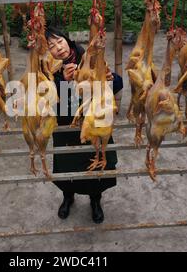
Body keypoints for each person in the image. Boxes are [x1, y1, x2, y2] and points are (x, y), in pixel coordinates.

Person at [45, 26, 123, 224]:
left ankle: (95, 201)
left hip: (95, 124)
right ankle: (68, 197)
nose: (58, 48)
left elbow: (118, 84)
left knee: (96, 167)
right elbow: (51, 102)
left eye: (59, 41)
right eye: (51, 46)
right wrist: (62, 80)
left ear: (67, 40)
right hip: (67, 127)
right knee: (67, 166)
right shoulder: (47, 69)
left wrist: (110, 79)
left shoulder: (89, 57)